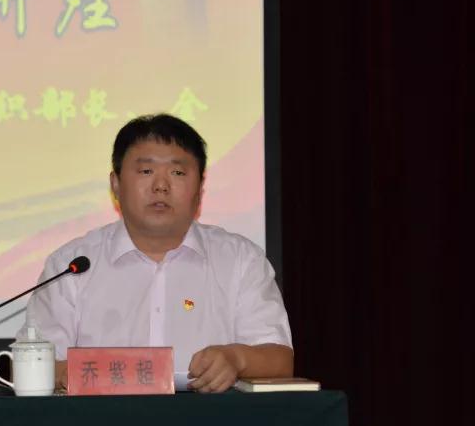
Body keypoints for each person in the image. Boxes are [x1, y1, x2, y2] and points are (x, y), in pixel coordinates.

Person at [23, 114, 293, 393]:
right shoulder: (71, 266)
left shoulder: (240, 261)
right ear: (115, 184)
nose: (161, 186)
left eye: (177, 173)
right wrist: (80, 374)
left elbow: (280, 359)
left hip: (211, 419)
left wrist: (237, 359)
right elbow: (33, 362)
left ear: (200, 188)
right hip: (101, 419)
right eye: (145, 171)